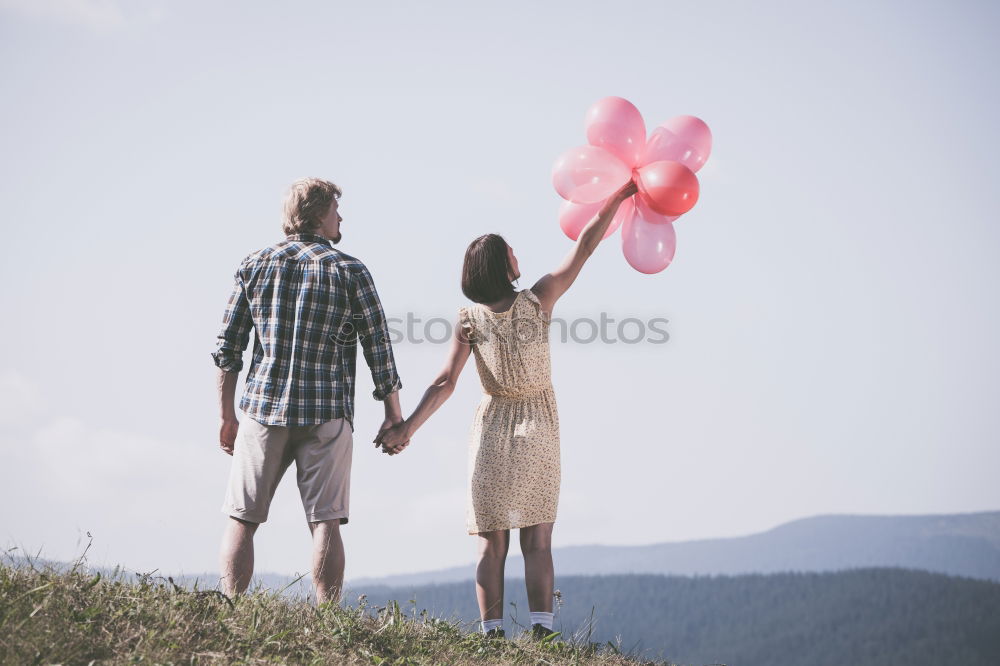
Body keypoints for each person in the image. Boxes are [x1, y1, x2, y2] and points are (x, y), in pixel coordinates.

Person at [376, 180, 639, 639]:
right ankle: (542, 631)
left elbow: (444, 383)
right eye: (513, 253)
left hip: (493, 427)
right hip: (539, 424)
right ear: (502, 265)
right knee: (537, 540)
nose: (520, 257)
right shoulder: (538, 301)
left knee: (489, 541)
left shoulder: (468, 320)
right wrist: (617, 198)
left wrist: (408, 428)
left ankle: (491, 634)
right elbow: (584, 246)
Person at [211, 177, 407, 604]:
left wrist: (226, 414)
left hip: (262, 409)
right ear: (320, 215)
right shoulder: (349, 270)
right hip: (327, 412)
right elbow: (379, 347)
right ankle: (327, 617)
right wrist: (393, 413)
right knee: (325, 523)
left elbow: (229, 346)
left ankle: (232, 609)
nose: (342, 217)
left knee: (242, 519)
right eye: (337, 208)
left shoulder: (255, 263)